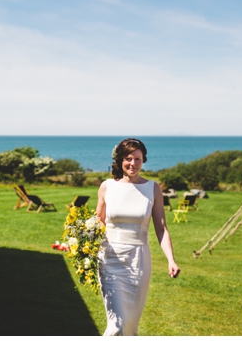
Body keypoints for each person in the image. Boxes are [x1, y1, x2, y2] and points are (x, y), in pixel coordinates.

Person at [96, 138, 180, 336]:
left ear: (143, 161)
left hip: (138, 261)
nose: (132, 163)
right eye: (128, 158)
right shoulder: (107, 186)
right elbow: (98, 222)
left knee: (130, 326)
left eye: (137, 159)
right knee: (116, 325)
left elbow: (161, 228)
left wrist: (171, 259)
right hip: (110, 259)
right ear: (120, 160)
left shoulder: (153, 188)